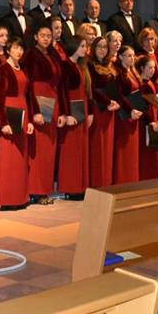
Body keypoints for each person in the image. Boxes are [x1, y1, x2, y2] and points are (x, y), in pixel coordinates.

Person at [22, 24, 64, 205]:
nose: (46, 38)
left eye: (49, 35)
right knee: (39, 148)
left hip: (52, 100)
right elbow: (28, 85)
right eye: (43, 35)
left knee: (49, 148)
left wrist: (62, 111)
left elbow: (59, 82)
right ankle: (36, 191)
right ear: (35, 37)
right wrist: (35, 111)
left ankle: (45, 189)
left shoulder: (52, 54)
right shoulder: (31, 55)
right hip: (39, 100)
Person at [0, 37, 35, 209]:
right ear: (9, 49)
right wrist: (3, 122)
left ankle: (19, 198)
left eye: (21, 49)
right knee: (8, 157)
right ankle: (8, 199)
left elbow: (28, 96)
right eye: (16, 48)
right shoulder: (3, 69)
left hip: (22, 111)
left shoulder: (22, 69)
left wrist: (30, 120)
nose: (19, 51)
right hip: (9, 112)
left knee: (20, 158)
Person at [57, 32, 93, 199]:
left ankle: (81, 186)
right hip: (72, 111)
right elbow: (62, 91)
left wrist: (89, 112)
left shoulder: (81, 66)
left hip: (82, 109)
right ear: (74, 46)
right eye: (82, 46)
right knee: (71, 151)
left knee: (81, 150)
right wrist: (67, 114)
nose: (85, 49)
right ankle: (71, 187)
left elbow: (87, 92)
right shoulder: (65, 65)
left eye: (86, 46)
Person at [88, 36, 119, 188]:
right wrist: (108, 102)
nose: (102, 50)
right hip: (99, 108)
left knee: (107, 147)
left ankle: (106, 181)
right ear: (94, 48)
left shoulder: (110, 64)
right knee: (98, 147)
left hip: (110, 109)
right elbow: (92, 89)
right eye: (99, 46)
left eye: (105, 47)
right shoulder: (90, 65)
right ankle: (97, 182)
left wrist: (115, 102)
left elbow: (115, 87)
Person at [113, 45, 142, 185]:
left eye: (133, 55)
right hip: (124, 115)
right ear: (120, 57)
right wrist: (131, 110)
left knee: (132, 150)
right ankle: (122, 179)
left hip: (134, 115)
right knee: (124, 148)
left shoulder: (133, 71)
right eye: (129, 55)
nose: (132, 58)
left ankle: (131, 178)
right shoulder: (118, 73)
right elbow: (119, 95)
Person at [136, 54, 158, 180]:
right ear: (142, 68)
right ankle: (146, 176)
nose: (153, 70)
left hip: (154, 118)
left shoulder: (152, 83)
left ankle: (154, 176)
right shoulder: (141, 84)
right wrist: (150, 121)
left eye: (153, 68)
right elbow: (142, 106)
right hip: (146, 120)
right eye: (150, 67)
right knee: (146, 150)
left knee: (154, 149)